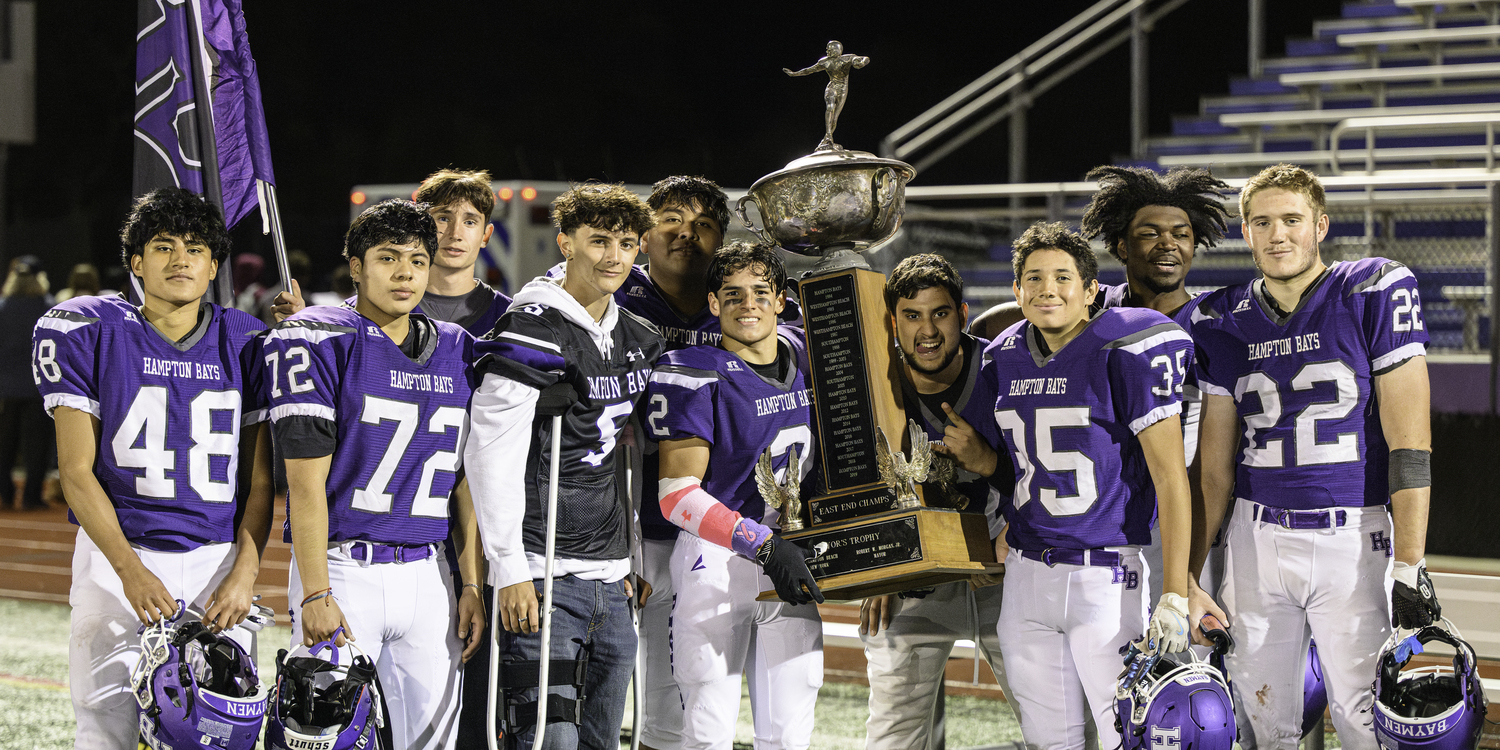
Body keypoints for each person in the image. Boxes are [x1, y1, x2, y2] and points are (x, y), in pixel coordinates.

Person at [1189, 164, 1437, 750]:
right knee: (1263, 712)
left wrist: (1410, 561)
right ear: (1245, 233)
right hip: (1257, 538)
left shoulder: (1369, 290)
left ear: (1319, 225)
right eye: (1262, 222)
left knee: (1364, 714)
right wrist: (1191, 573)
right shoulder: (1221, 318)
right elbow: (1215, 473)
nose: (1278, 235)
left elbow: (1411, 445)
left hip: (1353, 534)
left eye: (1292, 219)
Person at [32, 188, 275, 750]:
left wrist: (245, 571)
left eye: (195, 248)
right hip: (119, 554)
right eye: (162, 246)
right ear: (136, 262)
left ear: (214, 265)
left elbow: (258, 482)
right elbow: (75, 470)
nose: (180, 259)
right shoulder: (91, 330)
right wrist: (129, 569)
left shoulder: (248, 341)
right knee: (105, 727)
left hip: (216, 560)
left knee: (220, 728)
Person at [269, 199, 486, 750]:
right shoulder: (320, 338)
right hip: (345, 568)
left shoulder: (459, 348)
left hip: (427, 574)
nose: (405, 272)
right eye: (388, 258)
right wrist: (314, 589)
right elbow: (304, 484)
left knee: (432, 741)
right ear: (356, 266)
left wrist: (471, 582)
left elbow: (465, 479)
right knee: (323, 736)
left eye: (417, 259)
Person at [970, 222, 1195, 750]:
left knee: (1128, 736)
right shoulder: (1002, 356)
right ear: (1016, 291)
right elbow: (1021, 466)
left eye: (1063, 277)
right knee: (1049, 741)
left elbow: (1170, 477)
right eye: (1033, 277)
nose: (1047, 288)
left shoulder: (1126, 345)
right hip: (1025, 578)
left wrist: (1177, 592)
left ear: (1091, 290)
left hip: (1106, 577)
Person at [465, 183, 662, 750]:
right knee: (548, 741)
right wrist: (511, 570)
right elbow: (489, 450)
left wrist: (630, 557)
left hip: (609, 572)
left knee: (601, 741)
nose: (613, 256)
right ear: (565, 243)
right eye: (597, 241)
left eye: (626, 243)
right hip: (543, 567)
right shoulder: (534, 325)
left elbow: (627, 456)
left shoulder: (638, 336)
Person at [648, 241, 825, 750]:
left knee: (791, 733)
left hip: (792, 556)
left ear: (781, 301)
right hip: (718, 560)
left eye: (760, 293)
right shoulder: (694, 369)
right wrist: (764, 545)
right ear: (713, 304)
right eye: (732, 295)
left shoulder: (809, 358)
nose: (747, 304)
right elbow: (676, 497)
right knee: (707, 731)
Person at [857, 254, 1016, 750]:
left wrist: (990, 462)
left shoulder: (1005, 370)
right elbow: (854, 483)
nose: (927, 330)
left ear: (964, 315)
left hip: (1003, 566)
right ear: (893, 322)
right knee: (893, 731)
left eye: (940, 314)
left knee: (1056, 721)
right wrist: (885, 563)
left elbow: (1048, 473)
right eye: (912, 315)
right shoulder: (870, 384)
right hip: (914, 573)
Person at [1077, 165, 1234, 616]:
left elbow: (1212, 464)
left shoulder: (1215, 323)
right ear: (1122, 245)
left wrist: (1188, 569)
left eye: (1180, 233)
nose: (1168, 243)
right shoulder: (1089, 310)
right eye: (1150, 232)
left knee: (1187, 664)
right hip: (1104, 517)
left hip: (1181, 521)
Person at [615, 174, 730, 750]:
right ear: (645, 232)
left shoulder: (739, 312)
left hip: (709, 535)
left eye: (704, 225)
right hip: (625, 532)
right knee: (608, 702)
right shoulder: (609, 299)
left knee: (692, 701)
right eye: (673, 222)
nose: (687, 235)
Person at [412, 168, 512, 337]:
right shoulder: (388, 309)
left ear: (485, 236)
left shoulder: (510, 318)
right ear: (420, 227)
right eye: (444, 218)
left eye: (470, 222)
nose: (455, 234)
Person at [2, 256, 55, 509]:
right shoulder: (47, 307)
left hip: (5, 389)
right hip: (38, 387)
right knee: (36, 447)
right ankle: (32, 497)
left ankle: (4, 494)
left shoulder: (3, 307)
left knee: (5, 446)